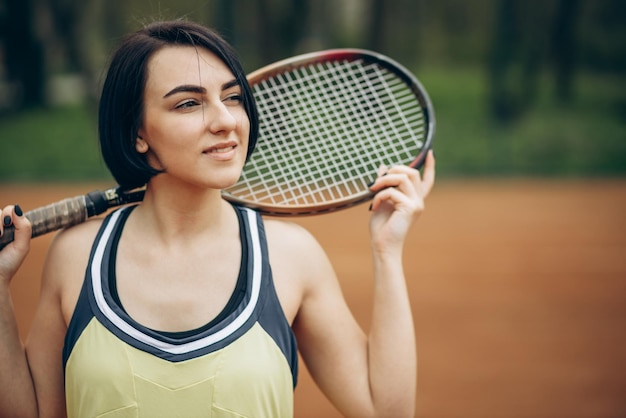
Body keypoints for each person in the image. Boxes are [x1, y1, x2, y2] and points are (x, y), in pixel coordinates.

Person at [0, 19, 435, 418]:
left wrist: (387, 250)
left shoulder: (290, 256)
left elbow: (385, 410)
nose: (226, 121)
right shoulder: (76, 256)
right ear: (137, 133)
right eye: (189, 104)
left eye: (232, 97)